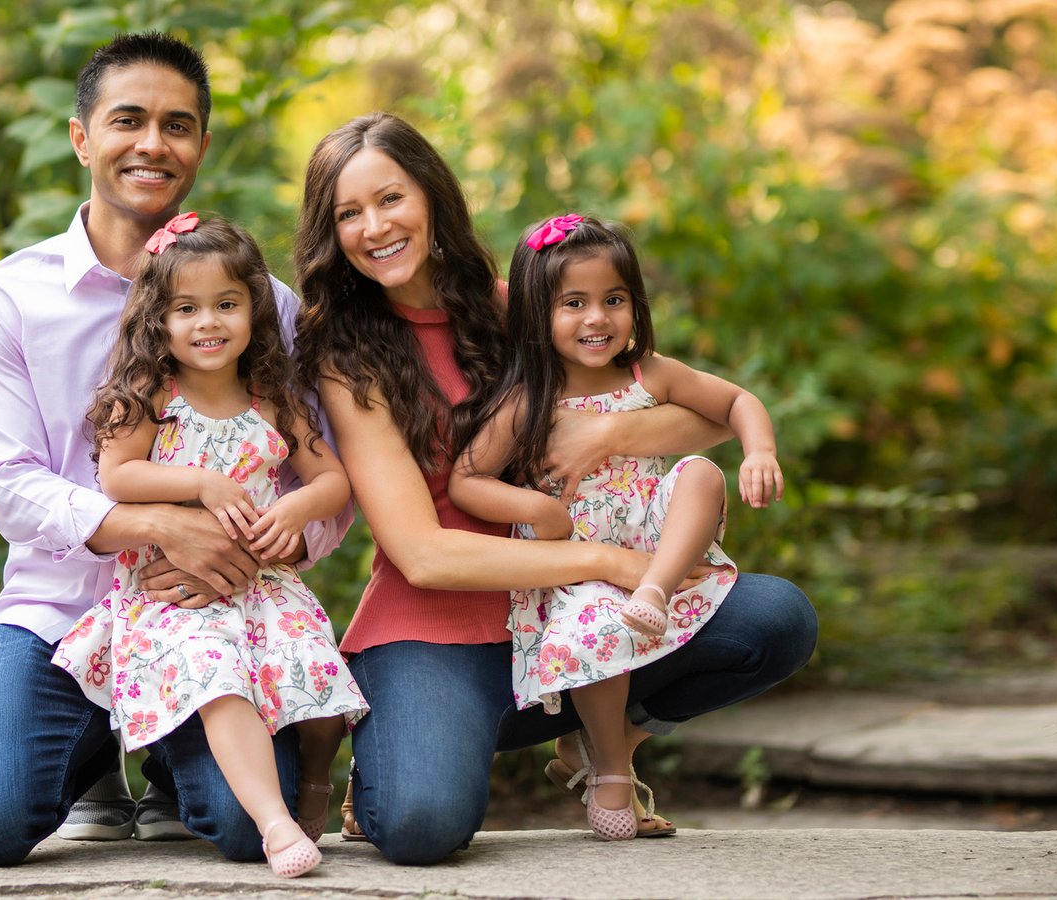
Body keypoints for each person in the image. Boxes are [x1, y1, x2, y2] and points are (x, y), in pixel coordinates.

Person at [292, 112, 817, 865]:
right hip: (437, 620)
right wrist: (606, 562)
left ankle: (603, 742)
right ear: (331, 231)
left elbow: (706, 420)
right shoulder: (349, 356)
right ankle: (395, 750)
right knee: (421, 825)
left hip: (563, 610)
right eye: (349, 213)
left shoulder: (532, 305)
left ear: (433, 197)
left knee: (772, 619)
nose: (375, 226)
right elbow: (424, 556)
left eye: (391, 198)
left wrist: (608, 435)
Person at [0, 33, 349, 867]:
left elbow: (315, 471)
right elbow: (6, 482)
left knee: (244, 830)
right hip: (61, 611)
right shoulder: (8, 297)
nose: (152, 143)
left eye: (178, 124)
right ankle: (91, 757)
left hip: (215, 610)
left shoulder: (261, 303)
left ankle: (173, 768)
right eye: (128, 120)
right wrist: (160, 526)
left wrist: (261, 547)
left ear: (200, 145)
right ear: (83, 137)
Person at [446, 213, 783, 840]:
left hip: (654, 545)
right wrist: (535, 509)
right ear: (536, 315)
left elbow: (736, 402)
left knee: (702, 473)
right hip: (577, 558)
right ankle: (607, 764)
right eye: (573, 303)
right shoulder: (528, 399)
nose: (597, 318)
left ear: (635, 305)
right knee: (597, 625)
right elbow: (467, 479)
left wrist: (759, 451)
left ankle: (655, 591)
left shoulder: (646, 373)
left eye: (613, 300)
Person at [51, 214, 366, 877]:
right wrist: (200, 482)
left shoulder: (273, 399)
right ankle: (278, 828)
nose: (208, 323)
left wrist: (299, 505)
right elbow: (118, 476)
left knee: (318, 679)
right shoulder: (146, 397)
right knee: (221, 682)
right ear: (156, 320)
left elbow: (332, 479)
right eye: (185, 308)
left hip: (261, 584)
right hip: (176, 600)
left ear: (254, 307)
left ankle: (314, 786)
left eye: (226, 304)